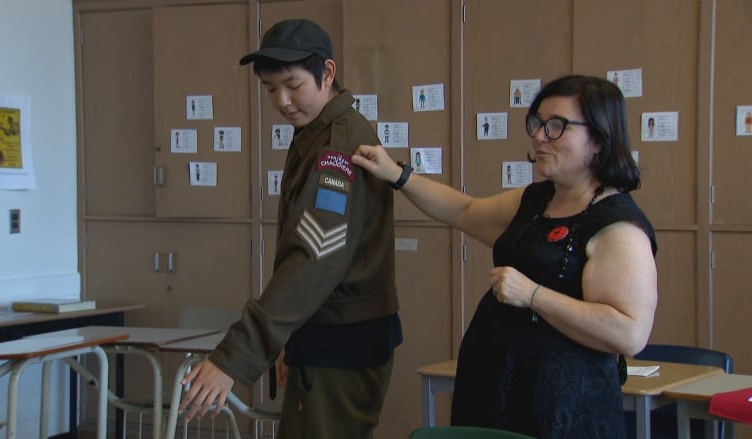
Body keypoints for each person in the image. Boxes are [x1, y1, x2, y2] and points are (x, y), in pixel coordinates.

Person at [352, 74, 658, 438]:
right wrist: (396, 175)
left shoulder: (616, 224)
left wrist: (533, 295)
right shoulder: (536, 199)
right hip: (494, 388)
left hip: (562, 407)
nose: (540, 136)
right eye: (538, 123)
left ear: (598, 140)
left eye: (557, 126)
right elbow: (463, 210)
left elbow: (629, 333)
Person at [178, 18, 401, 439]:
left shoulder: (337, 146)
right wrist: (291, 340)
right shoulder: (314, 133)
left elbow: (312, 259)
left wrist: (235, 357)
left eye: (293, 84)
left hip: (342, 345)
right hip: (327, 337)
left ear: (328, 73)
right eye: (269, 89)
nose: (282, 100)